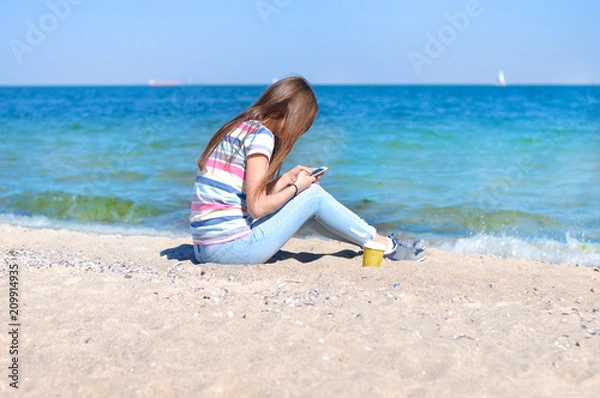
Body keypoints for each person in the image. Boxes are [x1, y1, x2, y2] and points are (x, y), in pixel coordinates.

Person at [190, 76, 426, 264]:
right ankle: (385, 245)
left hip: (206, 249)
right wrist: (296, 188)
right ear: (290, 115)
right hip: (231, 249)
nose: (299, 132)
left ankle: (373, 243)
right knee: (312, 195)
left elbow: (244, 195)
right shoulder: (261, 136)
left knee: (309, 203)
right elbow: (257, 207)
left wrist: (285, 179)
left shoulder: (241, 128)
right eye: (302, 124)